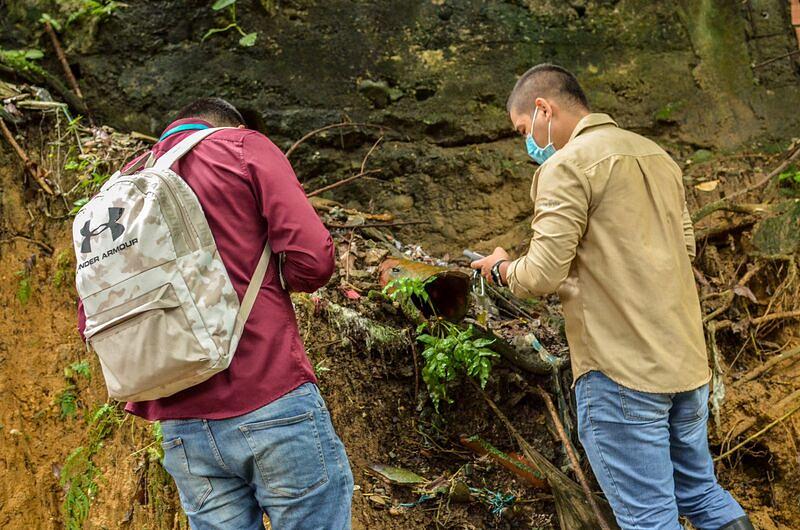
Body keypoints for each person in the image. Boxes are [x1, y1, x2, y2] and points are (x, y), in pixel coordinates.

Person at [470, 65, 753, 530]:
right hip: (685, 364)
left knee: (649, 518)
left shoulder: (565, 167)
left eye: (524, 130)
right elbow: (682, 250)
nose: (528, 143)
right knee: (703, 495)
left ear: (543, 109)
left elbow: (540, 275)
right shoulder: (658, 156)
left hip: (622, 373)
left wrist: (501, 269)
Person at [77, 98, 353, 529]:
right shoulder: (243, 148)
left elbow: (90, 316)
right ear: (228, 125)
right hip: (269, 396)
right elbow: (313, 261)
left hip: (182, 426)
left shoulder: (120, 189)